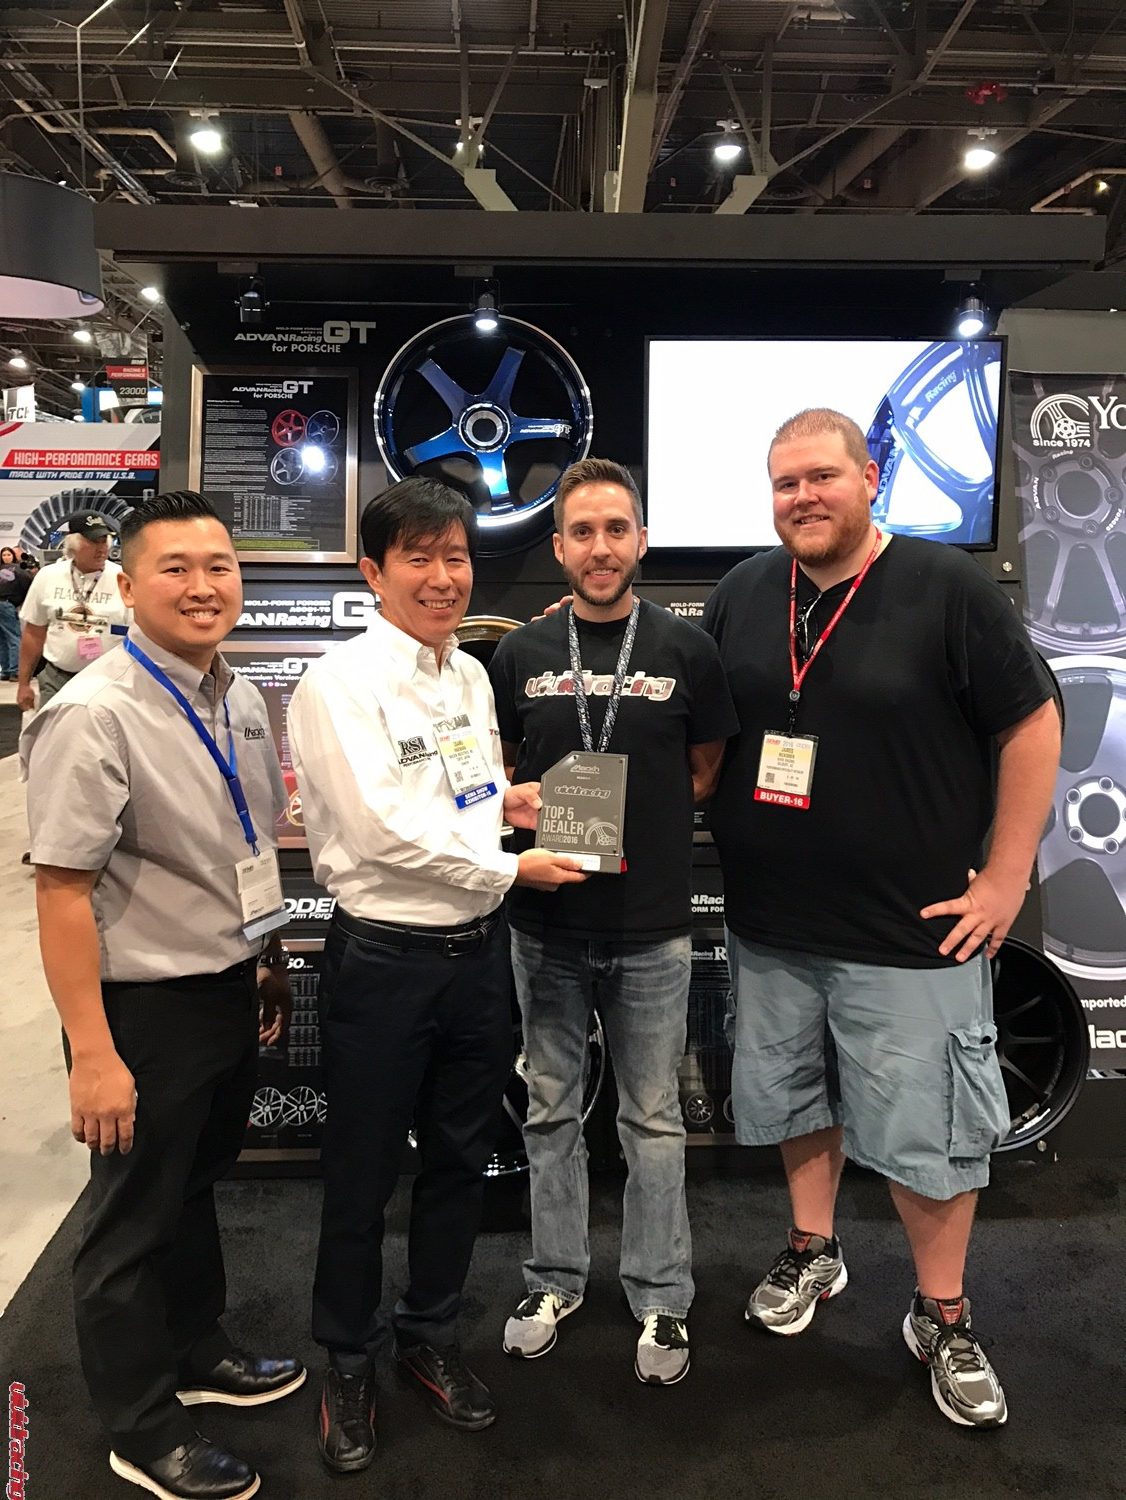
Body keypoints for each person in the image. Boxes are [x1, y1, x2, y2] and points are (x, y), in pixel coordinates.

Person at [701, 409, 1060, 1430]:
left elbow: (1033, 722)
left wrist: (1006, 877)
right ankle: (813, 1249)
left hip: (910, 935)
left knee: (930, 1140)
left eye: (821, 477)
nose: (802, 498)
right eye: (784, 483)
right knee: (795, 1102)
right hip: (772, 925)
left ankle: (942, 1314)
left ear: (870, 476)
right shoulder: (742, 592)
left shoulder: (947, 587)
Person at [287, 476, 585, 1476]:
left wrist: (513, 803)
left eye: (455, 556)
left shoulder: (467, 677)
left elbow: (463, 793)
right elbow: (380, 831)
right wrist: (511, 868)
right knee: (362, 1173)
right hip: (384, 959)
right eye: (418, 557)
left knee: (461, 1160)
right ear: (373, 571)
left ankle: (429, 1334)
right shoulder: (338, 683)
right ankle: (346, 1359)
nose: (443, 576)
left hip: (475, 959)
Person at [22, 491, 305, 1500]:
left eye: (218, 566)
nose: (202, 586)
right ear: (128, 587)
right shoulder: (93, 712)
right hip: (139, 1011)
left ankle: (196, 1349)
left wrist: (263, 959)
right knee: (130, 1220)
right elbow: (61, 891)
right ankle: (139, 1425)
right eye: (175, 569)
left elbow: (241, 845)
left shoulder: (236, 693)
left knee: (192, 1185)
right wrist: (93, 1052)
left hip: (223, 984)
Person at [488, 457, 738, 1385]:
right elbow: (501, 773)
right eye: (583, 532)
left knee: (653, 1118)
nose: (601, 547)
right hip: (545, 923)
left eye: (616, 529)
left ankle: (662, 1293)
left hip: (650, 928)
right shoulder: (519, 654)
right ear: (558, 547)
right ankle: (553, 1278)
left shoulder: (686, 650)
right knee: (550, 1110)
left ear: (642, 541)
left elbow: (705, 772)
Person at [17, 512, 131, 710]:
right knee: (54, 729)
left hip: (109, 680)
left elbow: (139, 635)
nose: (102, 548)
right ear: (73, 544)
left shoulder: (122, 578)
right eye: (94, 541)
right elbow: (34, 633)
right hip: (57, 679)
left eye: (104, 540)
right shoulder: (48, 576)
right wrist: (23, 684)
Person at [0, 544, 29, 680]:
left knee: (3, 639)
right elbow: (28, 585)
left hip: (5, 604)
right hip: (7, 605)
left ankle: (6, 670)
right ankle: (15, 671)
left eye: (8, 554)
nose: (6, 557)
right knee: (13, 638)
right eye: (4, 555)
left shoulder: (15, 570)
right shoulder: (19, 570)